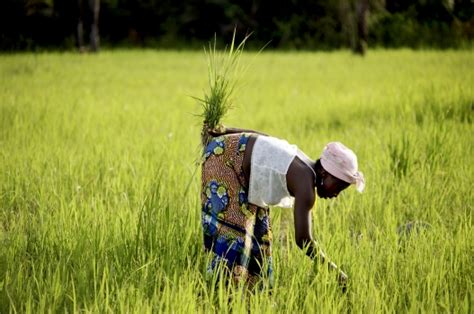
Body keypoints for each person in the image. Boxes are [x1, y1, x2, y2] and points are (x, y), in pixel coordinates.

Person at [201, 126, 365, 288]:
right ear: (325, 173)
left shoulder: (303, 161)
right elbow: (303, 241)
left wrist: (228, 130)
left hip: (229, 151)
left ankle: (254, 292)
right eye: (338, 187)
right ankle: (221, 290)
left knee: (260, 233)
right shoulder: (306, 187)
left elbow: (265, 137)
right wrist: (336, 272)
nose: (336, 194)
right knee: (234, 234)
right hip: (224, 160)